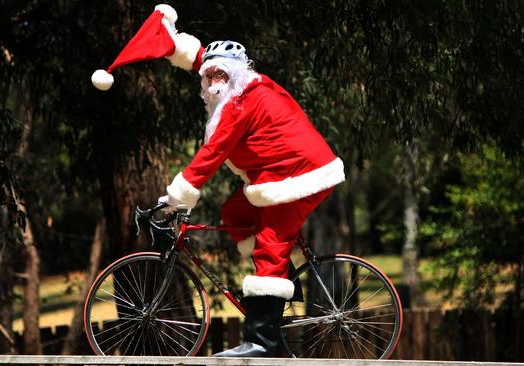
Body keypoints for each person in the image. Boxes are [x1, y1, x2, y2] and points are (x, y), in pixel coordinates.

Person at [91, 5, 345, 357]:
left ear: (236, 75)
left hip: (295, 176)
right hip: (280, 173)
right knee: (235, 210)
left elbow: (210, 155)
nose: (213, 83)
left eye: (219, 76)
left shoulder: (242, 103)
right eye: (208, 77)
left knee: (270, 244)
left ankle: (262, 342)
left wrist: (175, 198)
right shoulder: (235, 89)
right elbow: (199, 58)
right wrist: (169, 40)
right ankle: (279, 283)